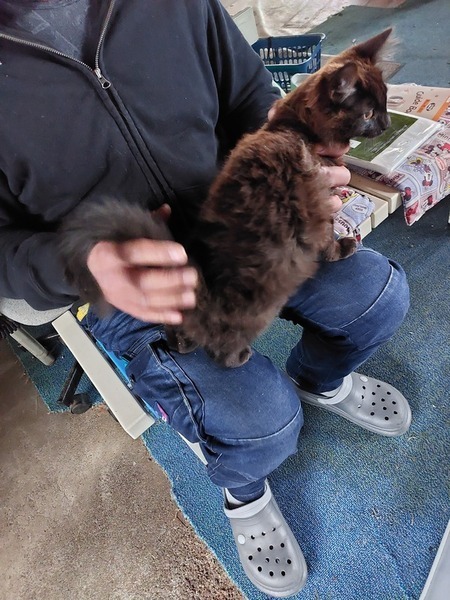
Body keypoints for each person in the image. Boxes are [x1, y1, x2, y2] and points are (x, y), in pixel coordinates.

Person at [0, 1, 411, 596]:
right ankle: (245, 493)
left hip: (248, 213)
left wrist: (299, 157)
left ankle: (318, 380)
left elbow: (248, 96)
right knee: (260, 424)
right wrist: (82, 263)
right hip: (127, 279)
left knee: (377, 297)